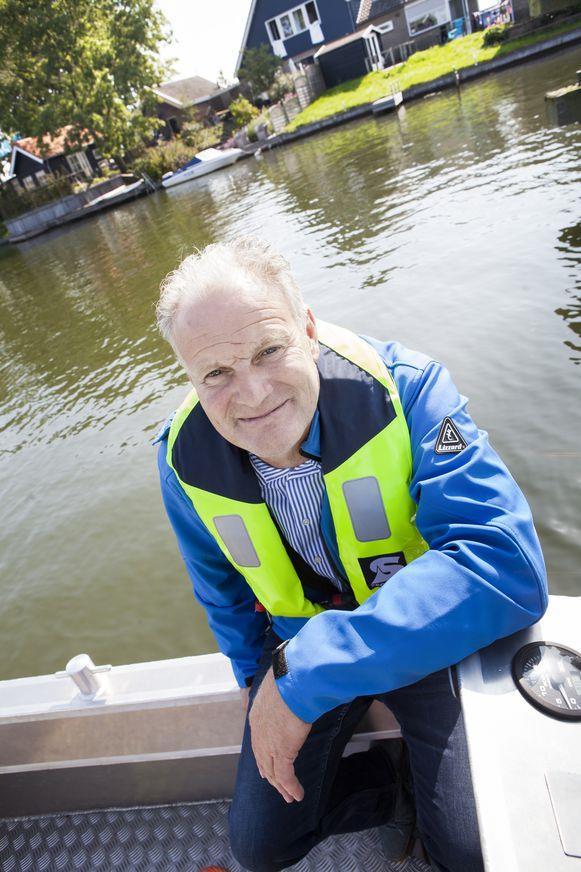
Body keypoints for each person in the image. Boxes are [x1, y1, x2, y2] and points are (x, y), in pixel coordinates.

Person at [154, 236, 548, 872]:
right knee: (259, 849)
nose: (251, 394)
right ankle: (391, 789)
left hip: (425, 634)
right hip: (297, 651)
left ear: (308, 330)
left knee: (474, 851)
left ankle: (436, 800)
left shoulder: (412, 392)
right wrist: (260, 697)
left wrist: (309, 674)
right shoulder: (182, 466)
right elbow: (223, 597)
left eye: (269, 350)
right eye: (217, 374)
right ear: (192, 380)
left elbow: (506, 564)